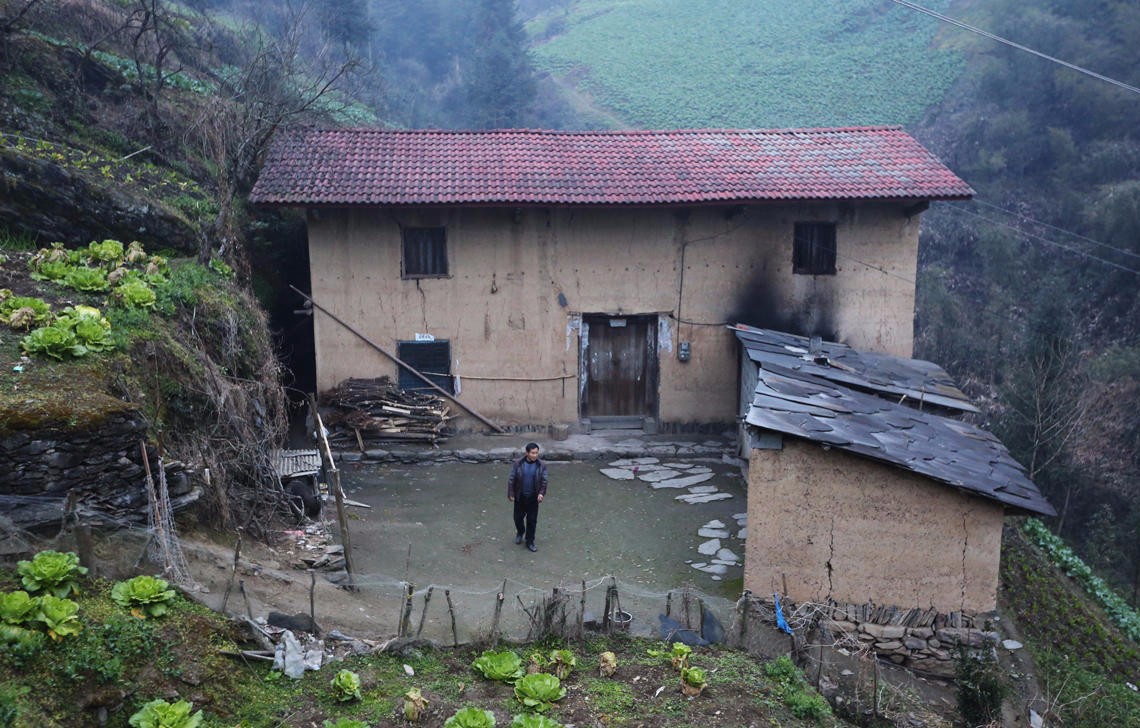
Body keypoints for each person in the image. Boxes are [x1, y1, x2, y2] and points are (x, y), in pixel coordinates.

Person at [507, 441, 548, 552]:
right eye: (533, 453)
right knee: (517, 518)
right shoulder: (518, 464)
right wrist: (511, 493)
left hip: (533, 498)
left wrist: (541, 493)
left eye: (536, 453)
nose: (535, 455)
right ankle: (520, 532)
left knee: (532, 521)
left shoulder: (542, 465)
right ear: (527, 453)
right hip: (520, 497)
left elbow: (544, 481)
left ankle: (530, 541)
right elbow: (511, 479)